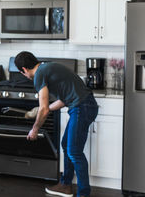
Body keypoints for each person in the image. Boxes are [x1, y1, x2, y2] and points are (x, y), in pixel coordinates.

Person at [14, 51, 98, 197]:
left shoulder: (39, 75)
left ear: (24, 70)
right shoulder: (48, 67)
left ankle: (84, 193)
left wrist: (35, 129)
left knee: (74, 152)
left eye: (23, 73)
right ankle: (65, 185)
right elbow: (65, 99)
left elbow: (44, 109)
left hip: (81, 107)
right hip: (83, 105)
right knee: (67, 146)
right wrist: (37, 110)